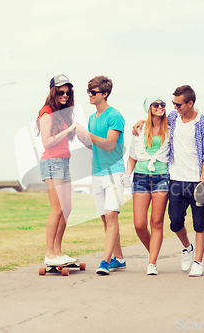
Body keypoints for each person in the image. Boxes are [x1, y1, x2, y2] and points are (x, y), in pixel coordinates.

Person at [133, 85, 204, 277]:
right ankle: (187, 247)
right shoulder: (173, 119)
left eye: (178, 104)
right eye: (173, 104)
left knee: (199, 223)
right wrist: (138, 122)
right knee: (175, 223)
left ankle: (198, 262)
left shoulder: (203, 123)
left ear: (190, 103)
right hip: (175, 179)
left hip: (196, 180)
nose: (174, 107)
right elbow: (154, 121)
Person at [76, 75, 126, 275]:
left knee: (111, 216)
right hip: (96, 173)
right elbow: (94, 145)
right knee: (106, 219)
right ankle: (119, 259)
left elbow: (109, 144)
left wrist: (88, 135)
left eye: (94, 92)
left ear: (104, 94)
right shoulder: (91, 118)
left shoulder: (115, 115)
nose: (90, 95)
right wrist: (82, 139)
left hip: (113, 172)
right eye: (88, 91)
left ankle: (105, 262)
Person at [36, 74, 79, 266]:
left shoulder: (63, 112)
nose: (65, 95)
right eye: (61, 92)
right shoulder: (47, 112)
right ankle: (49, 254)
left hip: (64, 162)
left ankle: (58, 251)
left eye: (68, 92)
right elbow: (47, 142)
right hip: (52, 162)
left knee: (67, 209)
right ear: (53, 91)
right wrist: (68, 130)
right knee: (57, 209)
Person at [126, 97, 170, 275]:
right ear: (149, 108)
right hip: (141, 178)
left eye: (163, 105)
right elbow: (132, 156)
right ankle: (154, 251)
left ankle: (152, 263)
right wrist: (125, 175)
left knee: (156, 222)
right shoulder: (140, 129)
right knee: (139, 224)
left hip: (162, 178)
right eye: (156, 105)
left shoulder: (170, 127)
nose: (160, 107)